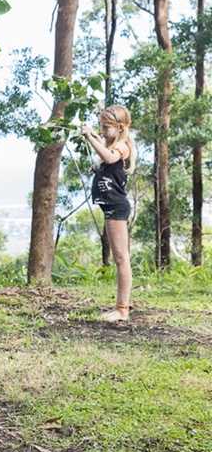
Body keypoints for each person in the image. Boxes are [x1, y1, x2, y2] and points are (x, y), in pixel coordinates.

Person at [81, 105, 136, 322]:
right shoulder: (111, 143)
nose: (102, 130)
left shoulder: (123, 146)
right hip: (110, 207)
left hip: (117, 207)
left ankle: (122, 309)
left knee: (122, 258)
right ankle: (121, 308)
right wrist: (95, 138)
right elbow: (105, 159)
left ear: (120, 127)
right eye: (101, 126)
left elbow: (110, 157)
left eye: (106, 127)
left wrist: (90, 138)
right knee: (119, 257)